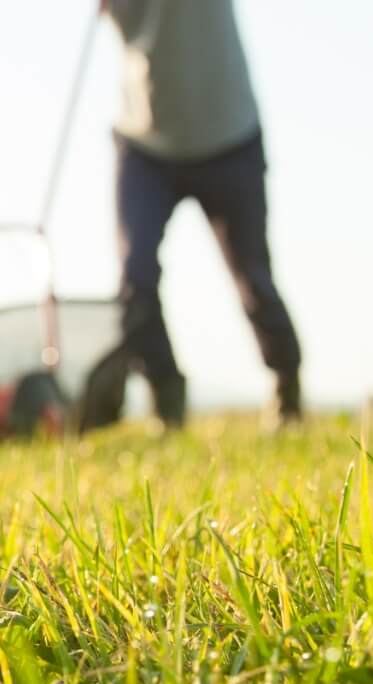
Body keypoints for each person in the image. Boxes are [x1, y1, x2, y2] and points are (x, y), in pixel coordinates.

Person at [93, 0, 303, 433]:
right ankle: (166, 400)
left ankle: (286, 387)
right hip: (144, 138)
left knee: (254, 279)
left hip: (228, 134)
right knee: (136, 277)